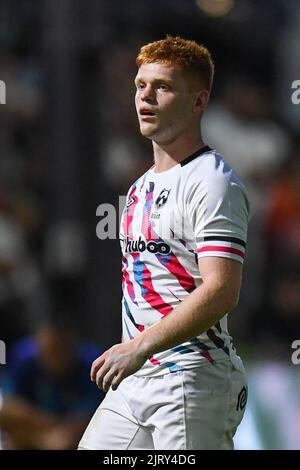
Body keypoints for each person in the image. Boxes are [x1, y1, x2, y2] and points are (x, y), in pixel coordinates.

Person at [78, 36, 250, 450]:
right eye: (140, 85)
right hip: (137, 380)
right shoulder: (139, 187)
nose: (146, 97)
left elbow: (222, 289)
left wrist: (137, 347)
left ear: (198, 101)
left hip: (192, 378)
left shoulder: (212, 181)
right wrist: (136, 353)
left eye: (163, 87)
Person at [0, 319, 104, 449]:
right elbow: (8, 407)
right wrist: (43, 435)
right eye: (49, 353)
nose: (54, 361)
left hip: (74, 434)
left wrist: (64, 433)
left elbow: (95, 414)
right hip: (38, 429)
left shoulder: (92, 362)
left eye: (60, 353)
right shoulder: (24, 358)